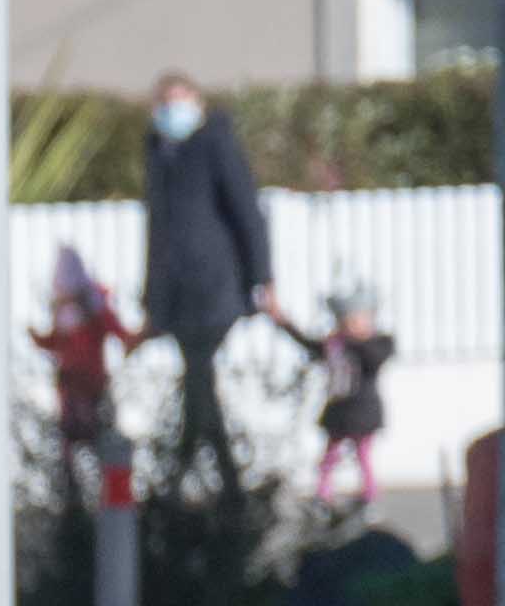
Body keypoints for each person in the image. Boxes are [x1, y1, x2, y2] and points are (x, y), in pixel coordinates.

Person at [139, 74, 274, 490]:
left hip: (214, 285)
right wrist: (153, 301)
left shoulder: (215, 146)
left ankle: (189, 475)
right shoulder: (159, 153)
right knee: (199, 380)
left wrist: (261, 278)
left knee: (198, 374)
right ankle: (220, 478)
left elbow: (247, 215)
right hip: (177, 295)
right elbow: (157, 234)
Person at [34, 249, 138, 475]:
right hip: (70, 385)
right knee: (69, 439)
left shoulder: (94, 308)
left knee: (97, 434)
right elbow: (56, 342)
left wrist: (128, 339)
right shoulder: (63, 312)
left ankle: (107, 479)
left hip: (91, 383)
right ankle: (72, 488)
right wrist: (38, 340)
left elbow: (114, 328)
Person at [306, 286, 390, 513]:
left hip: (364, 412)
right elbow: (309, 345)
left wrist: (357, 338)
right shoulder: (334, 345)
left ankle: (370, 495)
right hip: (339, 411)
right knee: (329, 456)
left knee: (363, 456)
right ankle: (323, 495)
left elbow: (373, 359)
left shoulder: (379, 343)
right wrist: (283, 322)